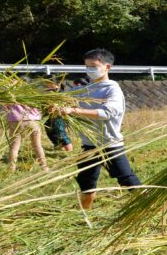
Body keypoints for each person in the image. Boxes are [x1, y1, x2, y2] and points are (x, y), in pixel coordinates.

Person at [59, 49, 142, 210]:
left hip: (109, 144)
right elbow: (67, 102)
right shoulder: (83, 90)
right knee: (86, 183)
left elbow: (107, 113)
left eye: (94, 66)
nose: (90, 69)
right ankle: (84, 213)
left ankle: (149, 205)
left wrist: (73, 111)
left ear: (107, 67)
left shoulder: (112, 89)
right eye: (87, 66)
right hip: (89, 145)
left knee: (126, 179)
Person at [5, 103, 49, 172]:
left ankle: (11, 169)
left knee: (14, 147)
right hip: (32, 119)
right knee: (37, 145)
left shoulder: (9, 93)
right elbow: (40, 105)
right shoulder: (35, 92)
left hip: (15, 119)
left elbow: (6, 106)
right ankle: (44, 167)